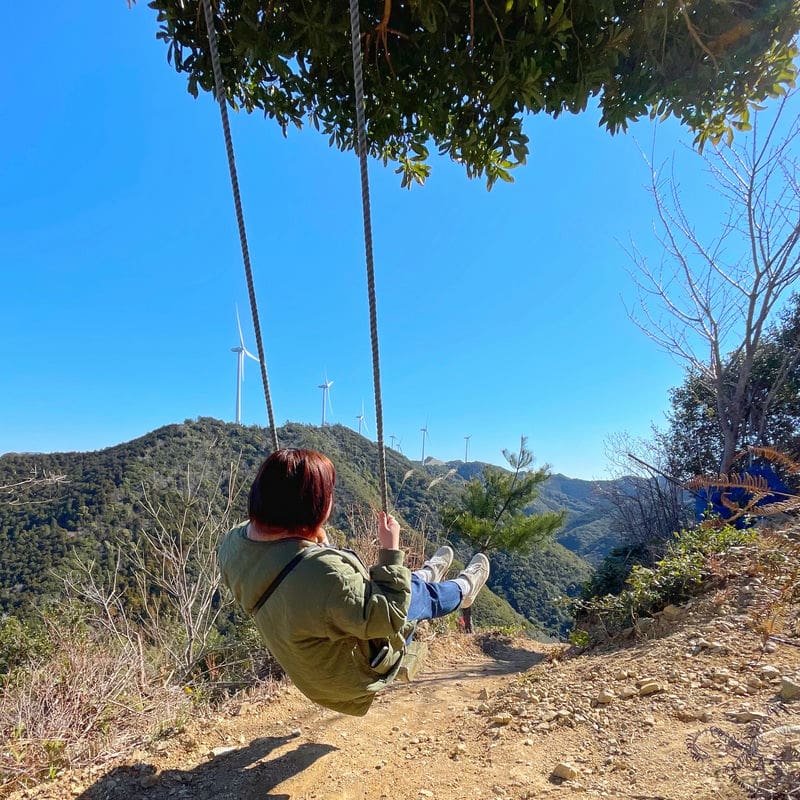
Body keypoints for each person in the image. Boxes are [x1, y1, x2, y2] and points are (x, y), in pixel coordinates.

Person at [218, 448, 490, 716]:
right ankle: (463, 588)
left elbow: (311, 585)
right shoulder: (323, 573)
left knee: (381, 587)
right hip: (350, 677)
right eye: (328, 494)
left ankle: (425, 574)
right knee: (414, 597)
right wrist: (391, 550)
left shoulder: (234, 541)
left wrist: (309, 537)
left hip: (309, 669)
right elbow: (389, 616)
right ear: (312, 505)